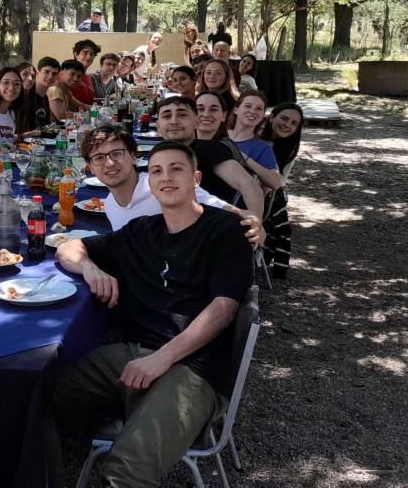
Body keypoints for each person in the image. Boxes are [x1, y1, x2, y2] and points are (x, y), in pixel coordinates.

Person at [53, 141, 253, 488]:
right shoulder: (141, 230)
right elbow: (69, 247)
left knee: (125, 471)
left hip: (194, 369)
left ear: (196, 178)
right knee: (33, 392)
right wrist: (89, 269)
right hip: (132, 356)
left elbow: (224, 308)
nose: (166, 178)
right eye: (157, 171)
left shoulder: (225, 231)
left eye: (177, 169)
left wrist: (161, 359)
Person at [80, 126, 264, 242]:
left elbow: (233, 212)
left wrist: (255, 222)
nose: (110, 163)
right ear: (90, 167)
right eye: (99, 158)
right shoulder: (111, 204)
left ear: (134, 157)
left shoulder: (165, 187)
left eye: (117, 154)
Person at [153, 95, 264, 218]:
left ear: (196, 122)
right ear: (158, 125)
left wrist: (255, 220)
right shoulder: (160, 156)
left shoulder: (209, 149)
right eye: (167, 116)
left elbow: (248, 184)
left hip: (209, 226)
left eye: (182, 115)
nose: (174, 121)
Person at [258, 102, 304, 279]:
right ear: (271, 117)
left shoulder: (288, 149)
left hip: (267, 195)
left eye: (294, 123)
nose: (287, 125)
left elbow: (271, 185)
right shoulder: (255, 138)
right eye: (284, 118)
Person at [228, 90, 281, 190]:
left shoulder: (262, 147)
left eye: (259, 109)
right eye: (248, 106)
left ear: (262, 115)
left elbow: (275, 183)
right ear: (236, 110)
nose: (253, 111)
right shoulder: (219, 134)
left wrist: (245, 158)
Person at [18, 57, 59, 135]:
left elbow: (46, 126)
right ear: (38, 73)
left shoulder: (45, 97)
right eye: (46, 72)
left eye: (54, 74)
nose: (50, 77)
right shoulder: (26, 96)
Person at [71, 39, 100, 105]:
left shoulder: (88, 78)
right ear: (76, 54)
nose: (88, 57)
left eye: (92, 54)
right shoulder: (66, 75)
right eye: (85, 53)